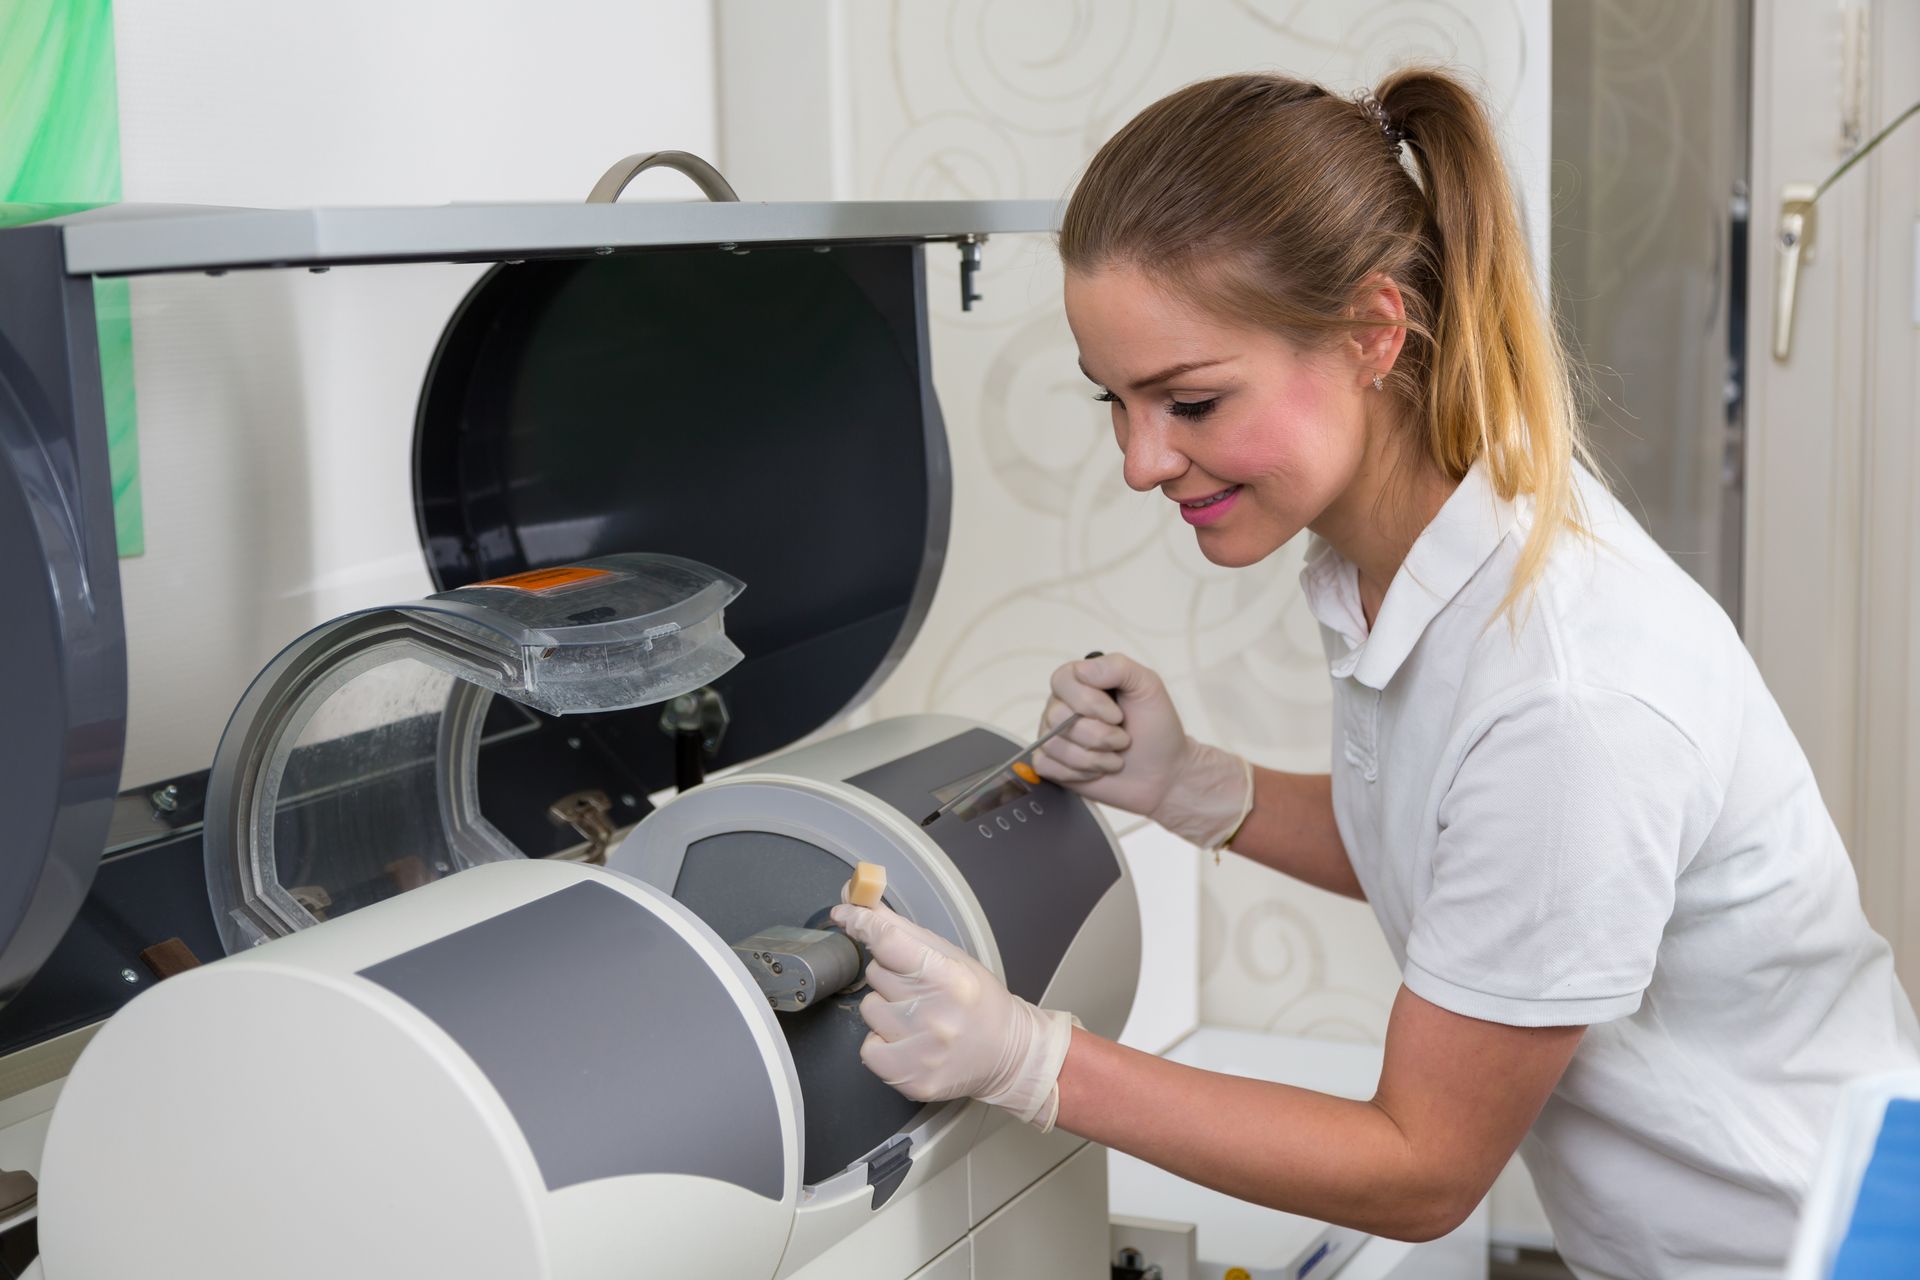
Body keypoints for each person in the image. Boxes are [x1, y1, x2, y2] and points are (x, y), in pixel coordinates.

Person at [828, 67, 1920, 1279]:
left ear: (1374, 334)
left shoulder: (1567, 687)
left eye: (1190, 399)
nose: (1142, 461)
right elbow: (1473, 861)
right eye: (1117, 402)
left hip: (1810, 1250)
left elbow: (1422, 1167)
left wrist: (1034, 1060)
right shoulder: (1412, 550)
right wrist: (1196, 783)